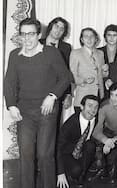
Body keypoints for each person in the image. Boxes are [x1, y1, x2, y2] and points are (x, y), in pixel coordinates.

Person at [4, 18, 72, 188]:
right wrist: (11, 105)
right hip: (24, 112)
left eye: (31, 34)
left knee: (44, 155)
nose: (27, 39)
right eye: (23, 34)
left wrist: (53, 95)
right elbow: (9, 83)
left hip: (46, 110)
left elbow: (65, 78)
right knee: (26, 155)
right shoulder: (15, 56)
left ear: (39, 35)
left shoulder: (51, 53)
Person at [56, 95, 99, 188]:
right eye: (90, 106)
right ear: (82, 107)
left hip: (84, 151)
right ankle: (72, 173)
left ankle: (82, 176)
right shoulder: (70, 124)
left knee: (91, 145)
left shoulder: (97, 119)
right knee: (76, 171)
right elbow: (58, 147)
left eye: (96, 107)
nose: (93, 110)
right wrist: (60, 173)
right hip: (67, 153)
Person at [39, 17, 73, 123]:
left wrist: (68, 94)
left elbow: (67, 72)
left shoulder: (66, 48)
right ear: (50, 27)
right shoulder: (38, 43)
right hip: (37, 90)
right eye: (56, 26)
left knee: (54, 125)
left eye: (62, 29)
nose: (58, 30)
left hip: (58, 92)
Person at [70, 27, 105, 113]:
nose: (89, 39)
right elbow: (71, 75)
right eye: (86, 36)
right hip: (83, 96)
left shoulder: (100, 53)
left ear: (96, 39)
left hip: (98, 96)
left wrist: (105, 71)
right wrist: (84, 80)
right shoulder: (75, 53)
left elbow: (102, 75)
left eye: (92, 36)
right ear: (82, 39)